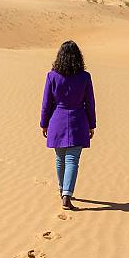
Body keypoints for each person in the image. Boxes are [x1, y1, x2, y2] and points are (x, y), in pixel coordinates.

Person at [40, 40, 96, 210]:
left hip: (57, 121)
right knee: (72, 160)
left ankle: (61, 190)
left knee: (60, 159)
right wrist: (91, 124)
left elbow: (46, 103)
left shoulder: (52, 76)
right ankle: (67, 194)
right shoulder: (85, 77)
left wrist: (44, 123)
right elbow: (90, 103)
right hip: (78, 121)